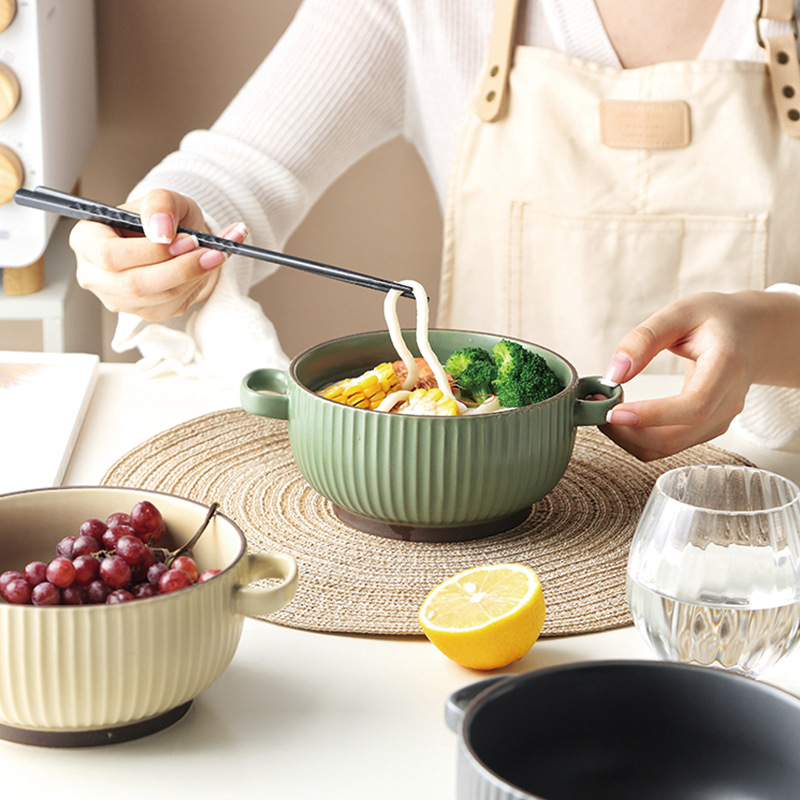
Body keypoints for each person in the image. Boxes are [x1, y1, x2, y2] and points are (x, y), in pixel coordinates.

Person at [70, 0, 800, 461]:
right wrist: (155, 232)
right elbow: (240, 172)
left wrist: (767, 334)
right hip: (482, 500)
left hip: (765, 501)